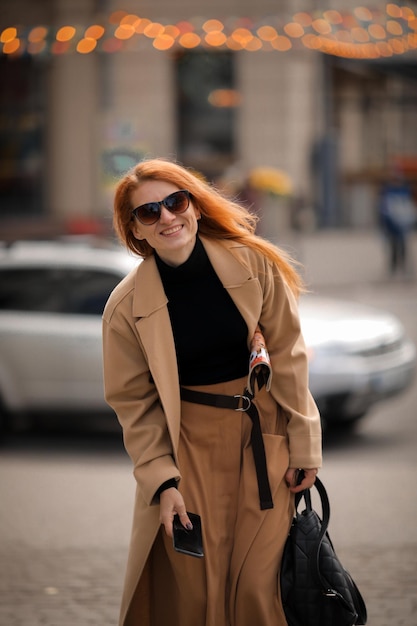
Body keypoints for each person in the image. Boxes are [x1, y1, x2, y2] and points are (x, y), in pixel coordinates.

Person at [102, 157, 322, 626]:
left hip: (264, 441)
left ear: (195, 207)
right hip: (188, 451)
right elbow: (133, 404)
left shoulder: (255, 264)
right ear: (136, 230)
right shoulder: (124, 309)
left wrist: (305, 443)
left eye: (175, 202)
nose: (166, 217)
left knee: (258, 591)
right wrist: (162, 481)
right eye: (148, 212)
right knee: (199, 592)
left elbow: (288, 356)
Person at [379, 172, 416, 277]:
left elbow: (409, 208)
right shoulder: (389, 192)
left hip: (402, 224)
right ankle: (393, 268)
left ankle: (403, 268)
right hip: (392, 226)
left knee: (403, 247)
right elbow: (384, 211)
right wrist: (384, 225)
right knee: (394, 247)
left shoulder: (405, 192)